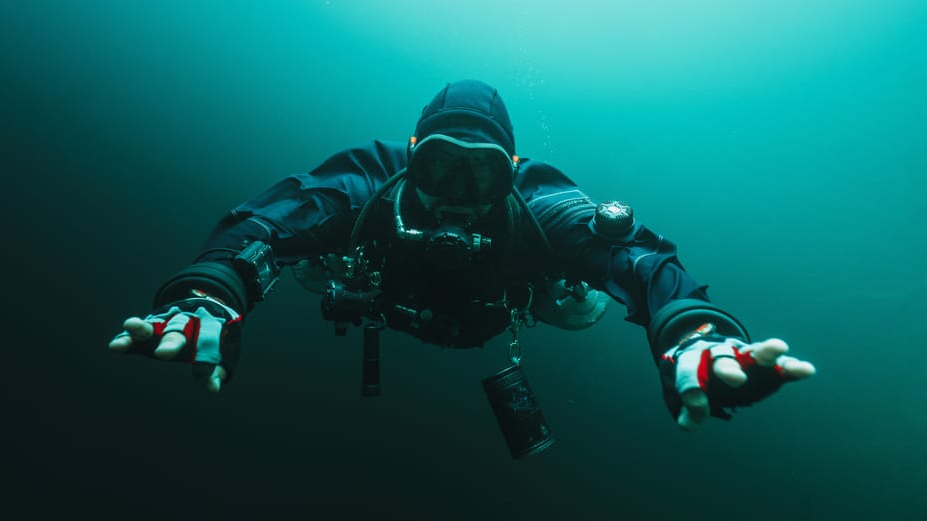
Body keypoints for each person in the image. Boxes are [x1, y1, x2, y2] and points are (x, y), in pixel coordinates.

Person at [108, 79, 814, 445]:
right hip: (385, 294)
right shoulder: (367, 181)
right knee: (314, 261)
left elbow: (630, 254)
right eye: (440, 167)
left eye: (480, 175)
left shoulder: (543, 202)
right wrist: (212, 291)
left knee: (576, 307)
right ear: (410, 156)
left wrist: (689, 327)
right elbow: (279, 217)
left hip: (506, 307)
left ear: (511, 174)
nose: (457, 195)